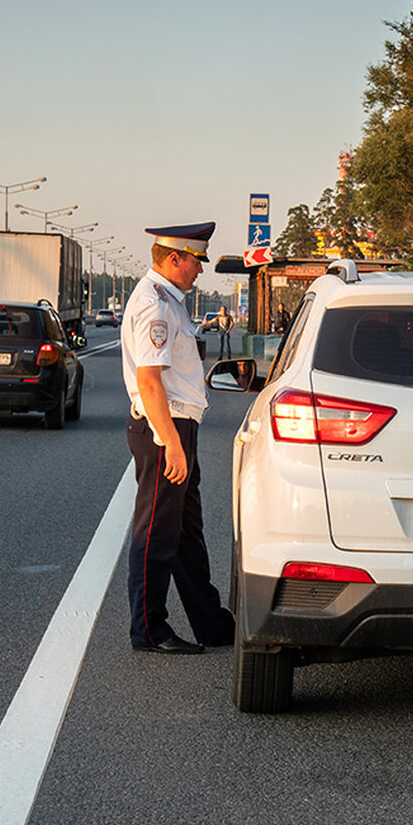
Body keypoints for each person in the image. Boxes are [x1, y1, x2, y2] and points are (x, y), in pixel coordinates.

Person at [120, 221, 236, 655]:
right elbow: (150, 383)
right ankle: (149, 630)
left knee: (187, 531)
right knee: (156, 533)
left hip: (176, 427)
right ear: (174, 259)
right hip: (163, 428)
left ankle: (210, 623)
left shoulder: (168, 300)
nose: (200, 271)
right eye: (196, 261)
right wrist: (170, 443)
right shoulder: (156, 306)